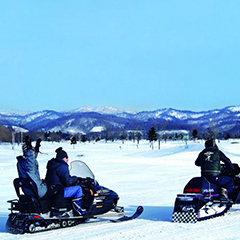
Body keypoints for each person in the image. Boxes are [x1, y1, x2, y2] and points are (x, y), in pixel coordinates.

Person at [16, 136, 64, 214]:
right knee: (59, 189)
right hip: (39, 190)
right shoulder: (28, 165)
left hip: (30, 190)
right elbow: (31, 159)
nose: (33, 152)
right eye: (32, 151)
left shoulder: (21, 163)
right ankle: (56, 211)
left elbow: (32, 159)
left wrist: (37, 147)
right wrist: (29, 149)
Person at [45, 147, 86, 216]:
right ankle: (78, 210)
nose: (67, 160)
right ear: (64, 158)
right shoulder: (62, 166)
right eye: (67, 158)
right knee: (78, 189)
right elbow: (67, 181)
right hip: (60, 191)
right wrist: (76, 178)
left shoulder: (53, 164)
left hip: (52, 190)